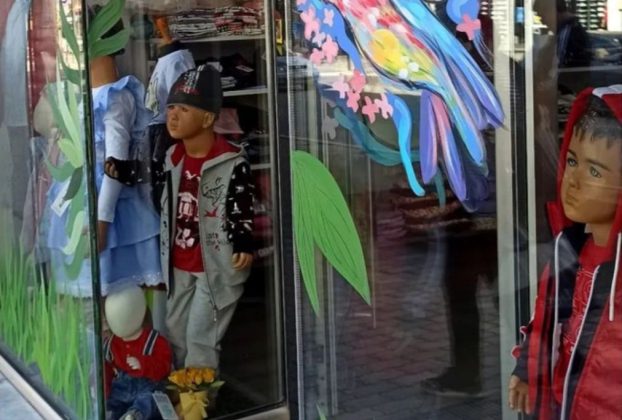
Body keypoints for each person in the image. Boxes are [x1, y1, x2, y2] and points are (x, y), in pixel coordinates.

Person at [509, 85, 622, 419]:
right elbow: (548, 316)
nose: (573, 181)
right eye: (572, 161)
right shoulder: (570, 250)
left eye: (595, 171)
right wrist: (528, 369)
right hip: (564, 403)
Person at [159, 66, 255, 370]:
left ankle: (198, 393)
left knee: (201, 336)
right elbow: (153, 187)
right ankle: (179, 385)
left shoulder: (230, 161)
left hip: (214, 264)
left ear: (208, 118)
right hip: (179, 261)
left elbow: (240, 203)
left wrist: (242, 241)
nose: (173, 116)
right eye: (171, 108)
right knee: (175, 327)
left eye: (184, 109)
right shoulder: (172, 157)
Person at [104, 286, 172, 420]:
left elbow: (164, 368)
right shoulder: (111, 343)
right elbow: (106, 369)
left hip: (146, 388)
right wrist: (103, 388)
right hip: (122, 390)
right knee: (111, 401)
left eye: (122, 316)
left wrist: (143, 364)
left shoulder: (154, 341)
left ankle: (134, 415)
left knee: (150, 399)